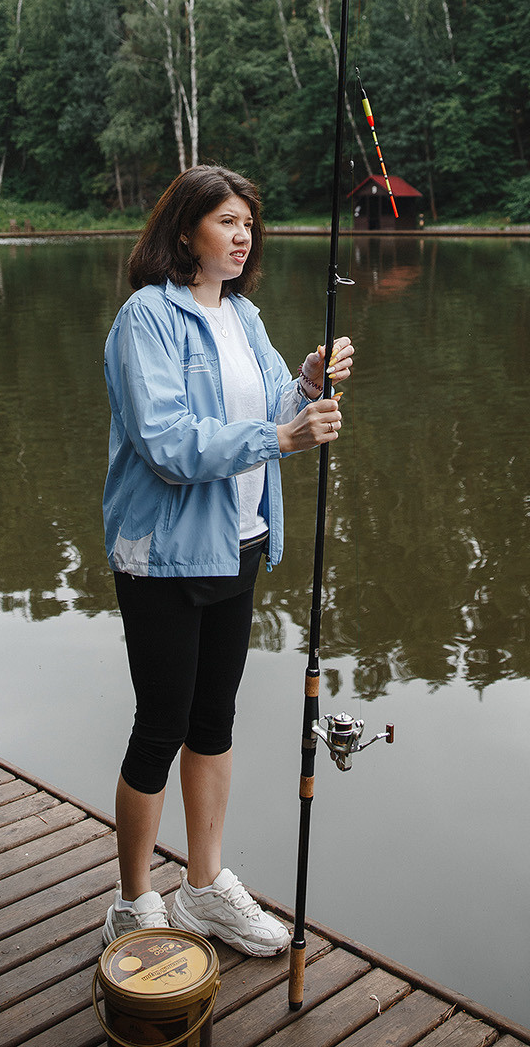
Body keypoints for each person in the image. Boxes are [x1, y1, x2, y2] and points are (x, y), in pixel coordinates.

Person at [101, 164, 353, 954]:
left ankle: (204, 887)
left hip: (238, 547)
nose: (242, 237)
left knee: (214, 722)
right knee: (161, 724)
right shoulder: (147, 319)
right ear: (186, 232)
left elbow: (275, 406)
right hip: (164, 558)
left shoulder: (244, 318)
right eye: (225, 222)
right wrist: (282, 436)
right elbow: (171, 444)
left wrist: (308, 386)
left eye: (248, 223)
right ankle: (135, 901)